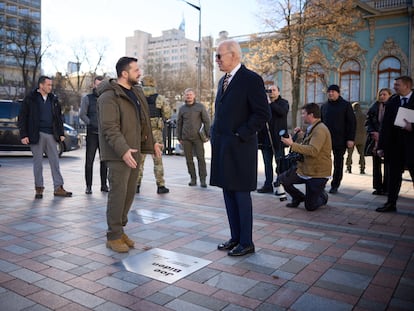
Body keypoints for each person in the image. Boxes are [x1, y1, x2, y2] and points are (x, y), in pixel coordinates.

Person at [211, 39, 270, 257]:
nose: (216, 60)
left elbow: (263, 114)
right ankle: (235, 237)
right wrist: (214, 132)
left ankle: (247, 242)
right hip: (224, 147)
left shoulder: (251, 79)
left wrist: (241, 133)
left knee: (241, 195)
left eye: (219, 56)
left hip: (241, 148)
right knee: (228, 192)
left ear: (233, 55)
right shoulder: (222, 81)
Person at [97, 57, 162, 252]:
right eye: (135, 70)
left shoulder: (136, 92)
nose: (139, 72)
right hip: (118, 153)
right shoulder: (108, 96)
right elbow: (109, 127)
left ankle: (119, 229)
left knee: (129, 192)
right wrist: (123, 149)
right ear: (124, 73)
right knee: (118, 194)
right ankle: (113, 235)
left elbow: (144, 122)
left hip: (135, 151)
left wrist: (151, 145)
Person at [18, 75, 72, 199]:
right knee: (38, 163)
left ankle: (58, 187)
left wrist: (61, 133)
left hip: (51, 134)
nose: (50, 87)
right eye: (48, 85)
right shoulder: (30, 98)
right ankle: (39, 188)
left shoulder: (53, 99)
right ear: (41, 85)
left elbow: (59, 117)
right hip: (36, 134)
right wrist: (24, 134)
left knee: (55, 162)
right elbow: (22, 117)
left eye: (51, 85)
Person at [279, 103, 332, 211]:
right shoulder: (313, 127)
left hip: (317, 173)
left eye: (303, 114)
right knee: (283, 179)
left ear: (311, 115)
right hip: (305, 168)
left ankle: (322, 196)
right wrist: (301, 136)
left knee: (310, 206)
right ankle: (298, 198)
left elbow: (313, 150)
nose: (302, 116)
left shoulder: (320, 130)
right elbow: (308, 144)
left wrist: (292, 144)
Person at [376, 76, 414, 212]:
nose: (395, 87)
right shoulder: (393, 101)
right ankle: (390, 203)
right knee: (393, 177)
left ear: (407, 86)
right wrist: (380, 146)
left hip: (412, 147)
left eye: (397, 85)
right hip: (395, 147)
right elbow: (385, 126)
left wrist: (412, 127)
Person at [136, 75, 171, 194]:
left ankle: (136, 185)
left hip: (142, 132)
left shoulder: (138, 97)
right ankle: (160, 185)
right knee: (158, 160)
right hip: (156, 132)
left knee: (139, 161)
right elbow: (167, 114)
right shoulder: (160, 98)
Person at [321, 84, 356, 194]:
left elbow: (352, 123)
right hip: (325, 140)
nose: (331, 93)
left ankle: (335, 184)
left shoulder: (345, 105)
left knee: (338, 163)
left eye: (333, 91)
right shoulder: (324, 106)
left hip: (340, 140)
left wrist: (350, 139)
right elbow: (320, 123)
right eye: (329, 91)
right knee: (323, 162)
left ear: (338, 93)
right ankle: (321, 182)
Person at [257, 85, 289, 195]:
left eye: (274, 90)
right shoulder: (264, 104)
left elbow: (282, 112)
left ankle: (281, 185)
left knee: (280, 163)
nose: (271, 92)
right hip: (265, 139)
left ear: (278, 92)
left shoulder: (283, 103)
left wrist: (271, 104)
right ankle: (268, 185)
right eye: (269, 91)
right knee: (267, 164)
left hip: (278, 140)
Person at [79, 76, 108, 194]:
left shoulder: (107, 99)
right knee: (89, 161)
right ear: (94, 85)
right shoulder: (87, 98)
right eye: (97, 84)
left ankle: (104, 185)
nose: (99, 87)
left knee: (104, 161)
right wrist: (90, 122)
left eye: (101, 84)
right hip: (92, 134)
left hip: (104, 135)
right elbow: (82, 114)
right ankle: (88, 186)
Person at [176, 88, 211, 187]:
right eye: (187, 95)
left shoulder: (200, 107)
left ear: (194, 95)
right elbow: (179, 123)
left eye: (190, 94)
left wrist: (208, 134)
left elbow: (206, 121)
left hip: (198, 138)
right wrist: (179, 136)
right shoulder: (182, 109)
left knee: (201, 158)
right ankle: (193, 178)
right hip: (186, 138)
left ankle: (203, 179)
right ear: (185, 96)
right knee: (189, 160)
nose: (189, 96)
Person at [365, 88, 392, 195]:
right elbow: (367, 122)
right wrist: (373, 132)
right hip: (375, 140)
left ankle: (387, 187)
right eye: (380, 94)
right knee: (376, 165)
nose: (382, 96)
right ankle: (378, 187)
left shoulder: (392, 107)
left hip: (389, 140)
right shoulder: (374, 107)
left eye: (384, 94)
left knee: (388, 165)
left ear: (390, 95)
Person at [345, 102, 366, 174]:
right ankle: (362, 169)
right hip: (362, 138)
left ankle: (349, 168)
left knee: (349, 154)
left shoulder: (351, 116)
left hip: (352, 137)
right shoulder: (364, 116)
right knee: (362, 154)